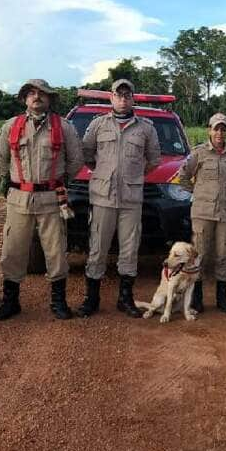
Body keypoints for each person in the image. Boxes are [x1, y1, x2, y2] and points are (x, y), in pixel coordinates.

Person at [0, 79, 84, 321]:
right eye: (31, 93)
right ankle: (10, 301)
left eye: (42, 94)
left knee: (55, 252)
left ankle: (58, 302)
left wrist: (58, 181)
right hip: (18, 198)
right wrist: (13, 185)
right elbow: (1, 161)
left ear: (50, 99)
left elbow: (76, 161)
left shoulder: (63, 127)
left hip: (52, 199)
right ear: (24, 99)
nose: (36, 97)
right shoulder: (11, 126)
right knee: (12, 251)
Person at [80, 78, 161, 318]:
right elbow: (87, 154)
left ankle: (125, 299)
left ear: (133, 98)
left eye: (127, 95)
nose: (123, 99)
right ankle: (91, 299)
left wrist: (133, 175)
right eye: (118, 95)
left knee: (129, 250)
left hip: (130, 199)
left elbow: (154, 159)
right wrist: (105, 173)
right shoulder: (98, 125)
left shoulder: (146, 127)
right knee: (97, 249)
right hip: (103, 197)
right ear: (111, 97)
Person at [177, 112, 226, 314]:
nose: (220, 133)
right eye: (216, 128)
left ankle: (222, 298)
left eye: (223, 128)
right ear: (209, 130)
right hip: (203, 213)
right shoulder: (199, 153)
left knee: (224, 254)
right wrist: (198, 193)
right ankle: (197, 299)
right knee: (199, 255)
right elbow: (183, 176)